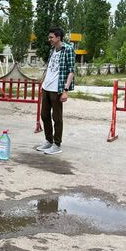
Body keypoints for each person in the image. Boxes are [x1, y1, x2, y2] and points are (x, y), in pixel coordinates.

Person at [36, 27, 75, 155]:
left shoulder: (68, 49)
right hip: (46, 87)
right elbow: (49, 67)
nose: (49, 40)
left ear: (58, 37)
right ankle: (48, 140)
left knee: (56, 117)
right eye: (49, 37)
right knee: (44, 115)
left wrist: (65, 90)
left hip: (57, 89)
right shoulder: (52, 50)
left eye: (51, 37)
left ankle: (57, 144)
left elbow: (71, 71)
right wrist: (42, 81)